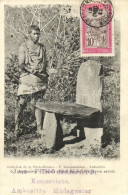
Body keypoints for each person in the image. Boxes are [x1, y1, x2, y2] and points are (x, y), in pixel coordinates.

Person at [15, 25, 49, 137]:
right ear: (29, 34)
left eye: (38, 34)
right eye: (34, 34)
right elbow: (21, 64)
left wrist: (44, 71)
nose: (36, 36)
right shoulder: (24, 47)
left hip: (39, 80)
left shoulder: (42, 48)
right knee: (21, 104)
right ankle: (17, 128)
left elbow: (44, 63)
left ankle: (39, 128)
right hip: (27, 79)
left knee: (38, 104)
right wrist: (31, 70)